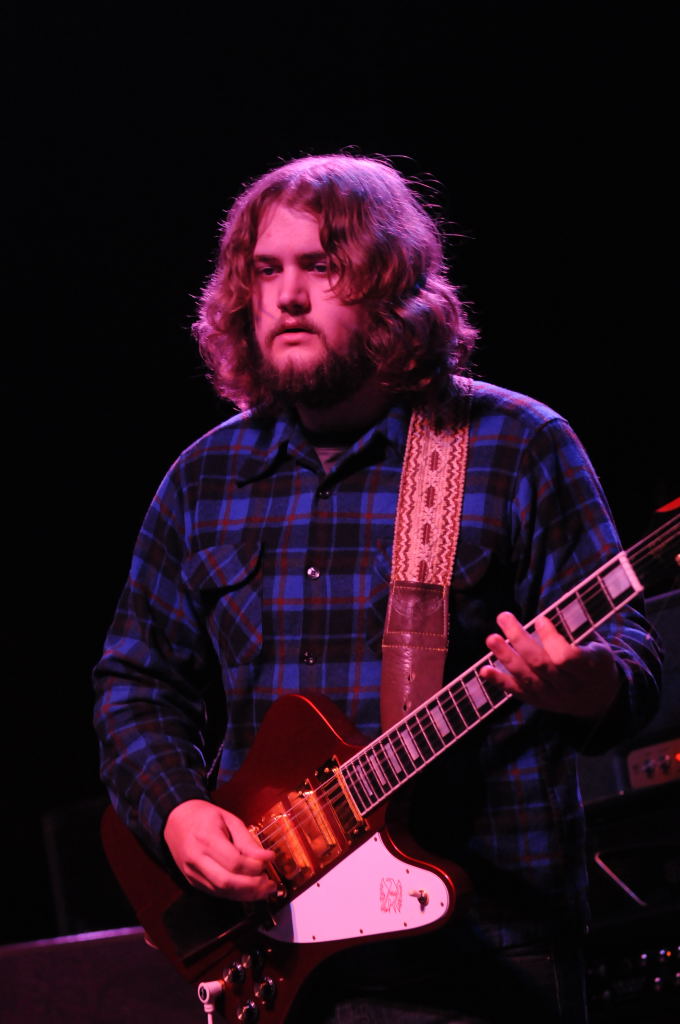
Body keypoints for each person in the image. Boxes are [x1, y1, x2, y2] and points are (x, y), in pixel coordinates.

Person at [93, 154, 662, 1023]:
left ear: (392, 286)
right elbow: (135, 684)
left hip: (487, 959)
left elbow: (633, 663)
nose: (288, 296)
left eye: (322, 267)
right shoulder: (204, 479)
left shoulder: (515, 444)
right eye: (266, 271)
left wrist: (583, 682)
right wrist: (178, 813)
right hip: (276, 958)